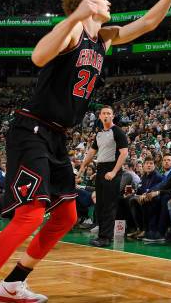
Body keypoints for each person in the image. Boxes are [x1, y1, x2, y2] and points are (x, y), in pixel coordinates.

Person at [0, 0, 171, 303]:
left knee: (66, 215)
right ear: (87, 2)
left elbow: (148, 24)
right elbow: (38, 56)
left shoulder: (103, 37)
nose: (109, 2)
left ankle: (13, 284)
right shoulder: (73, 31)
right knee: (31, 215)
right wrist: (74, 18)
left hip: (57, 136)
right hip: (31, 128)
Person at [77, 105, 129, 247]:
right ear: (99, 116)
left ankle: (106, 237)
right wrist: (82, 169)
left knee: (109, 205)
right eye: (103, 113)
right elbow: (91, 153)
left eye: (108, 113)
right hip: (100, 169)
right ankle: (102, 235)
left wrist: (114, 171)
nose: (106, 115)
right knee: (100, 204)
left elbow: (124, 153)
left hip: (112, 169)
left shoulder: (118, 132)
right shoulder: (99, 133)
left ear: (112, 116)